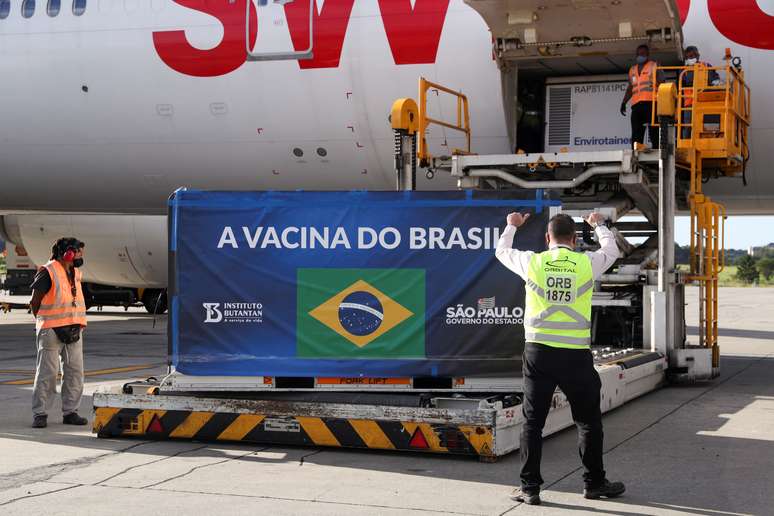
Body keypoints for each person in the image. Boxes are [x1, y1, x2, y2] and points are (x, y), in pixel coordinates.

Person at [495, 212, 625, 505]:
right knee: (588, 421)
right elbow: (612, 250)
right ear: (575, 240)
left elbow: (501, 251)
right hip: (576, 356)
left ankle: (529, 488)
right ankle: (594, 483)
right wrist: (600, 225)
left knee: (532, 422)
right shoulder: (585, 263)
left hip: (539, 353)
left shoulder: (534, 262)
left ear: (547, 239)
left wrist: (512, 226)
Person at [29, 237, 88, 428]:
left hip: (74, 328)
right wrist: (43, 323)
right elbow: (35, 302)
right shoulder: (48, 271)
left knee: (75, 373)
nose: (80, 255)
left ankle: (71, 412)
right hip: (51, 330)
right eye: (78, 251)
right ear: (68, 253)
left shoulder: (76, 272)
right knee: (47, 373)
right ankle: (40, 414)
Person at [620, 44, 663, 149]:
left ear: (647, 54)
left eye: (643, 54)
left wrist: (660, 70)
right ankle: (635, 152)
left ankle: (656, 150)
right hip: (636, 106)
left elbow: (662, 83)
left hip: (651, 104)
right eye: (638, 54)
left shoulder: (654, 66)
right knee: (636, 131)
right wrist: (624, 102)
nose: (640, 56)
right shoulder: (632, 70)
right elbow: (631, 88)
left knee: (654, 130)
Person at [680, 45, 721, 139]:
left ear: (698, 55)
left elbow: (715, 80)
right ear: (686, 58)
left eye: (693, 55)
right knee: (688, 128)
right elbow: (681, 87)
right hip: (689, 104)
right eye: (689, 56)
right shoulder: (683, 70)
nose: (692, 58)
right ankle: (687, 146)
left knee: (706, 127)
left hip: (705, 102)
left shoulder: (706, 66)